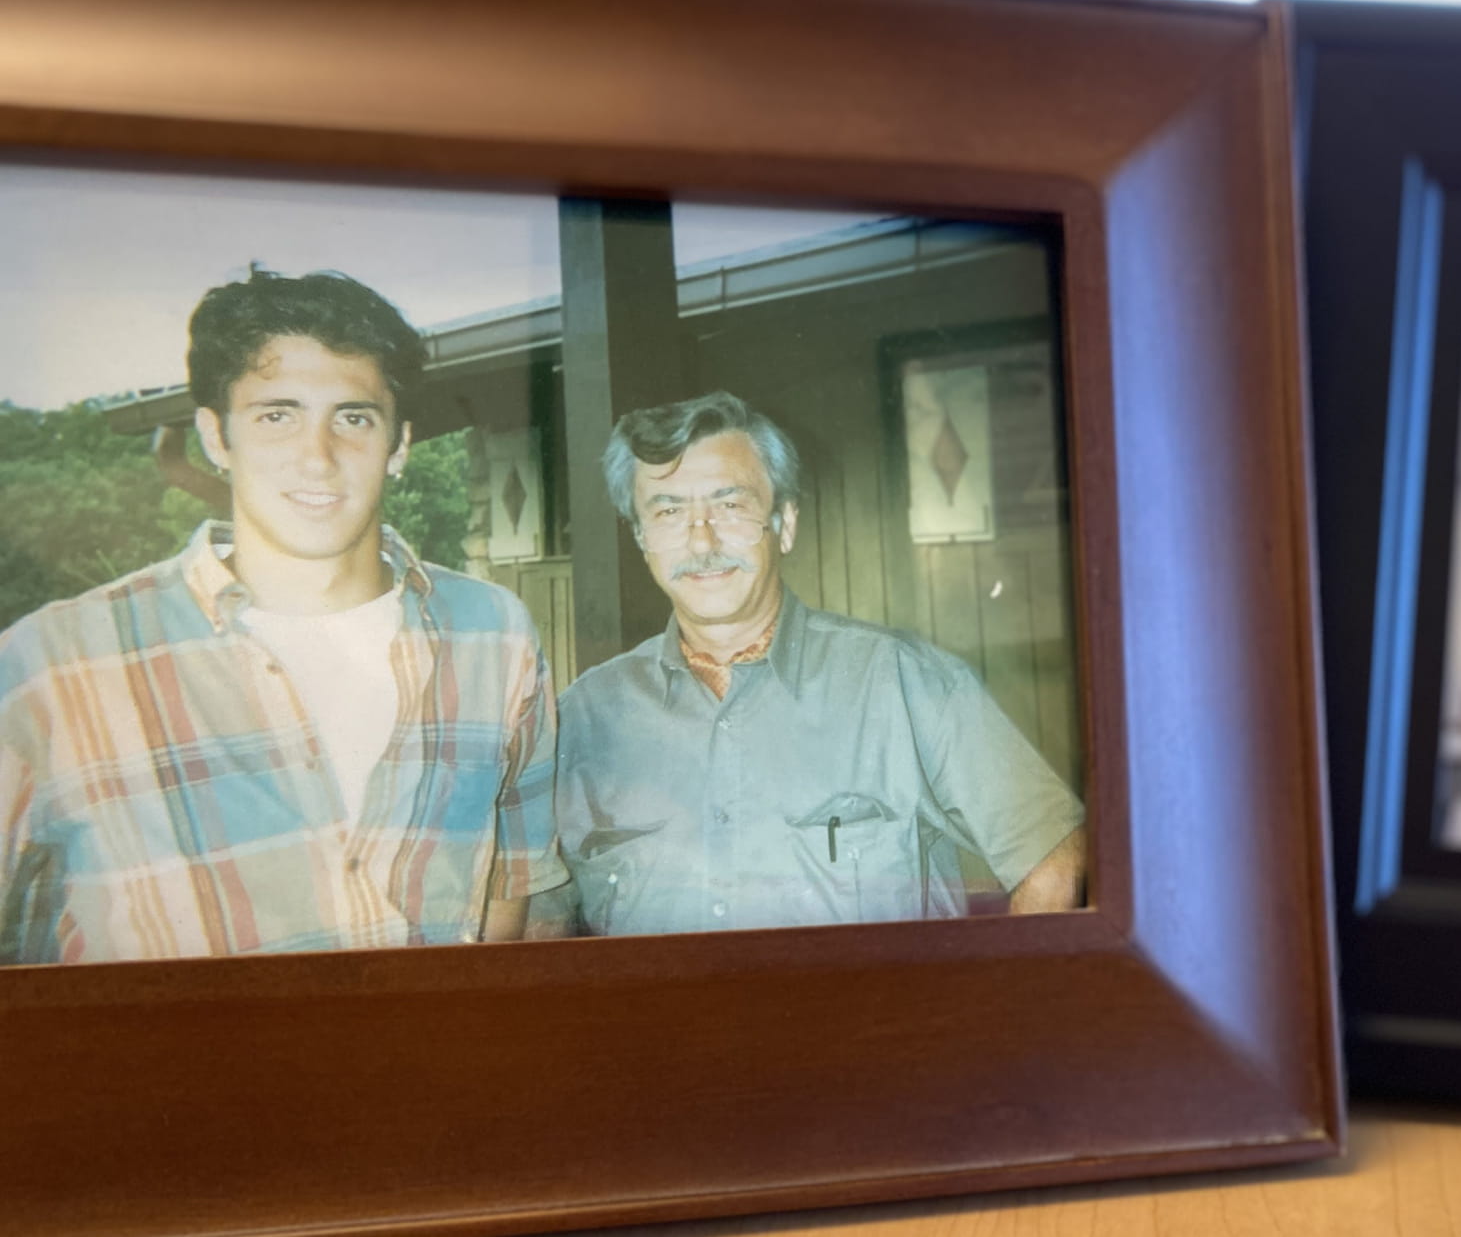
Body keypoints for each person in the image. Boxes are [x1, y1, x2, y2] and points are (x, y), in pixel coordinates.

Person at [0, 268, 570, 964]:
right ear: (216, 436)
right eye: (277, 415)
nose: (317, 457)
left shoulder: (494, 635)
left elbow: (512, 887)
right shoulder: (52, 664)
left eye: (353, 417)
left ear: (399, 445)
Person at [556, 391, 1085, 935]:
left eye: (730, 505)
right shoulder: (581, 718)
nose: (701, 539)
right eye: (668, 511)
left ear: (784, 523)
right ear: (643, 539)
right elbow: (540, 928)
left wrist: (983, 1013)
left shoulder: (904, 682)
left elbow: (1054, 857)